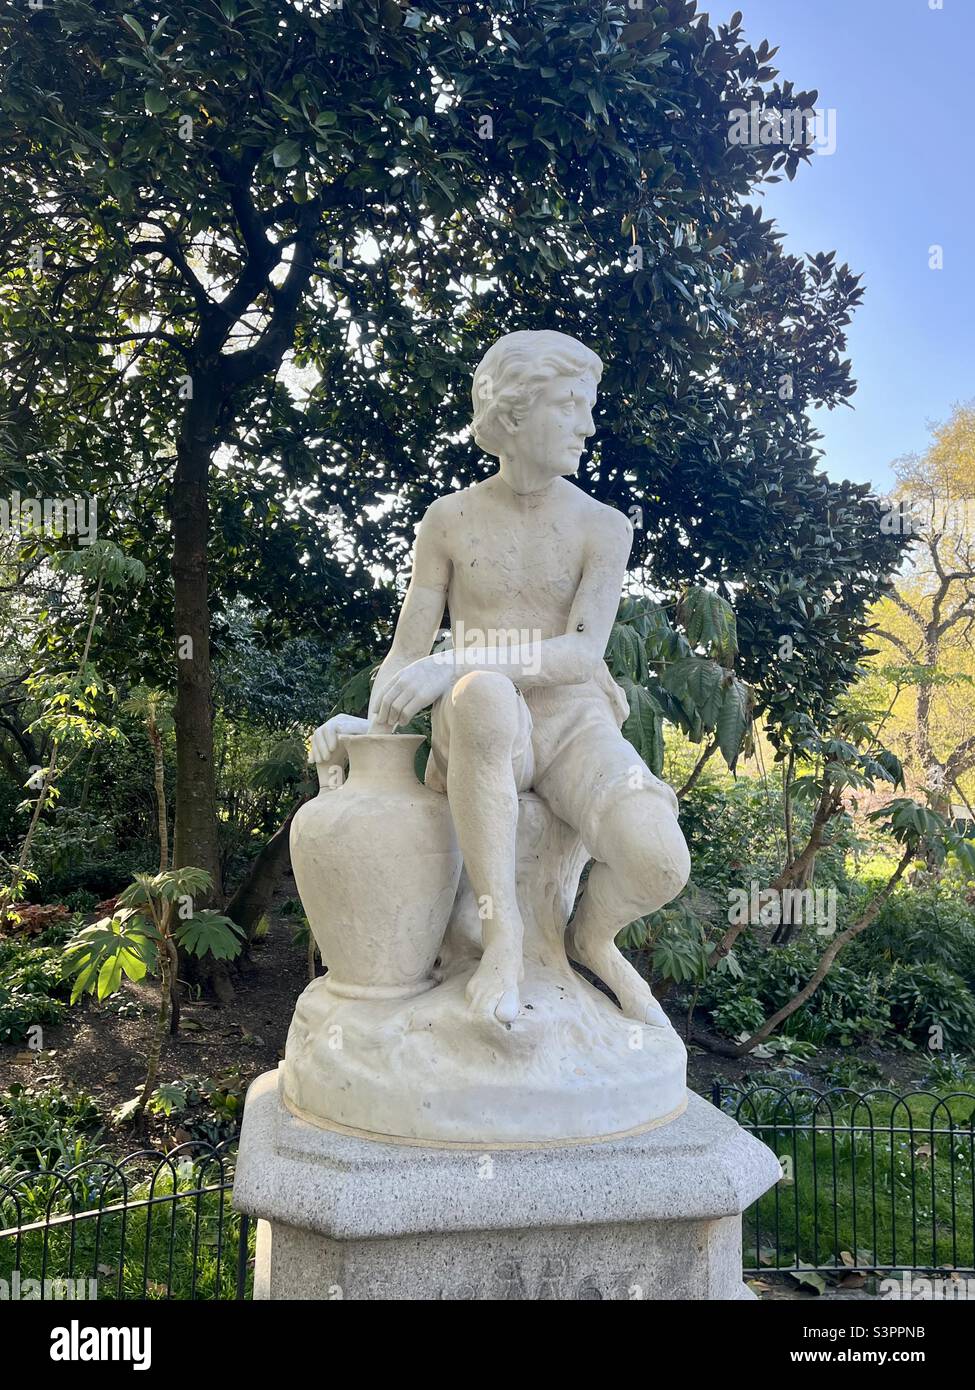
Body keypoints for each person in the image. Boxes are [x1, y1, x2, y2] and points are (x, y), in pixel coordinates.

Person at [314, 330, 689, 1026]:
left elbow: (580, 655)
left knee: (659, 862)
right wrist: (374, 729)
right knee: (482, 694)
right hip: (483, 721)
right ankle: (502, 940)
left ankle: (593, 940)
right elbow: (407, 652)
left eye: (588, 406)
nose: (587, 425)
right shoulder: (448, 521)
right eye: (572, 405)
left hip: (574, 721)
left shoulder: (602, 526)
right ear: (513, 414)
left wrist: (457, 658)